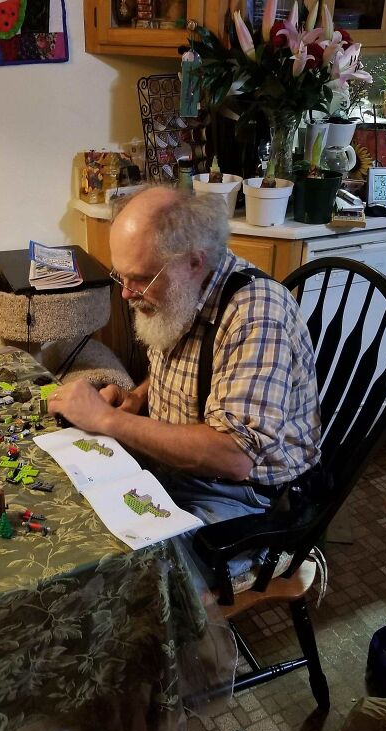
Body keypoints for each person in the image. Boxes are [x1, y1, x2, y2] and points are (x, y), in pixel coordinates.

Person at [48, 185, 321, 584]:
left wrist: (107, 420)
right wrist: (137, 397)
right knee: (69, 509)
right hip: (181, 472)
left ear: (195, 261)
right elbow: (185, 370)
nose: (126, 293)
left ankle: (183, 645)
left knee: (124, 577)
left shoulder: (256, 315)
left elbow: (233, 457)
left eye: (139, 278)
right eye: (120, 276)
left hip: (250, 501)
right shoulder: (181, 292)